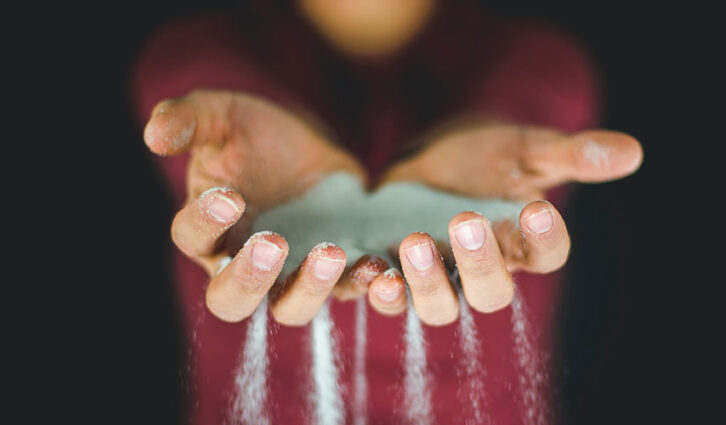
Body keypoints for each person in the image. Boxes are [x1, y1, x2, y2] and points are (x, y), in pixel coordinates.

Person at [133, 0, 643, 423]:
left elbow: (535, 90)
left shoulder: (533, 58)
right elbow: (195, 81)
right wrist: (246, 132)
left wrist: (476, 133)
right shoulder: (201, 49)